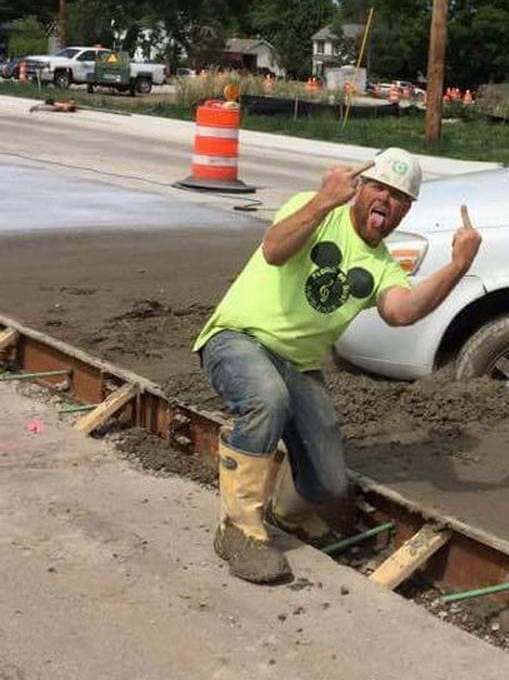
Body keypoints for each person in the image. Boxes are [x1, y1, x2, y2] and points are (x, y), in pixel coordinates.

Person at [193, 147, 482, 584]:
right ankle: (238, 530)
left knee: (327, 484)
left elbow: (402, 311)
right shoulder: (312, 210)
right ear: (360, 188)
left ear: (406, 210)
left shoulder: (383, 265)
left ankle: (283, 516)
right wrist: (323, 200)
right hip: (237, 338)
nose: (387, 200)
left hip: (300, 367)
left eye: (400, 196)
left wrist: (458, 266)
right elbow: (274, 250)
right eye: (380, 188)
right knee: (265, 400)